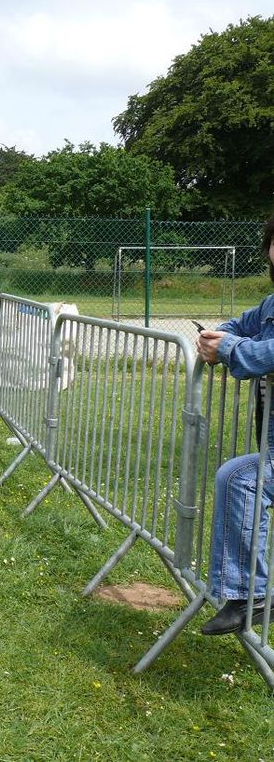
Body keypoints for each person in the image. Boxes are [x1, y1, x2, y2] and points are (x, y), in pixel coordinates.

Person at [196, 215, 274, 635]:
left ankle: (250, 595)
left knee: (242, 478)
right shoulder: (270, 305)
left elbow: (262, 352)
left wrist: (231, 349)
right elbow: (235, 328)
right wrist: (214, 338)